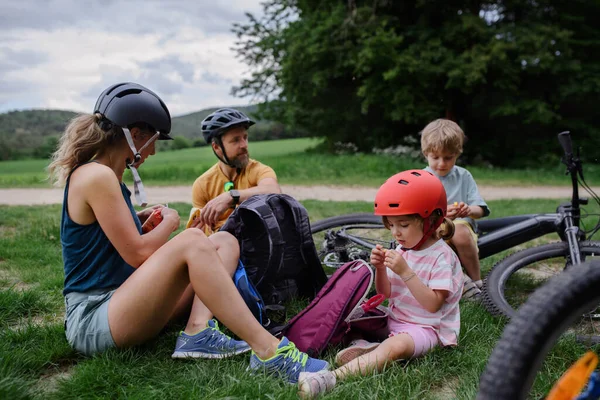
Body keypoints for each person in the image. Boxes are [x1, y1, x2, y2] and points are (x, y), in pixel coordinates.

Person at [47, 82, 328, 384]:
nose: (153, 150)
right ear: (135, 134)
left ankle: (197, 331)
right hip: (94, 317)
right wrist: (170, 222)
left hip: (121, 300)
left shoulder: (106, 176)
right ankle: (270, 352)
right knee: (193, 240)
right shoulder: (96, 175)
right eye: (154, 140)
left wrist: (138, 224)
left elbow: (110, 246)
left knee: (222, 241)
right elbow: (138, 253)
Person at [297, 170, 463, 398]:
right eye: (391, 225)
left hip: (425, 328)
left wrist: (405, 272)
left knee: (397, 347)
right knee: (350, 318)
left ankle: (330, 378)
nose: (395, 233)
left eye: (403, 225)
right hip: (394, 318)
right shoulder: (402, 249)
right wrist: (381, 269)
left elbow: (433, 305)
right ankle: (367, 346)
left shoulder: (441, 257)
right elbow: (386, 293)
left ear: (432, 220)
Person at [421, 118, 490, 299]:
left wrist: (468, 210)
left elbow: (481, 209)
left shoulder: (463, 176)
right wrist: (441, 214)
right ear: (426, 154)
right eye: (435, 157)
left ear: (457, 154)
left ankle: (477, 283)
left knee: (458, 230)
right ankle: (444, 283)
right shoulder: (421, 178)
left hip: (460, 228)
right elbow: (417, 214)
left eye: (448, 157)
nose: (442, 163)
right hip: (433, 229)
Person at [187, 108, 281, 233]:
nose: (244, 145)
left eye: (245, 137)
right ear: (217, 147)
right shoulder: (202, 184)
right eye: (236, 140)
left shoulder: (259, 170)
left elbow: (274, 191)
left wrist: (231, 196)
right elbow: (200, 230)